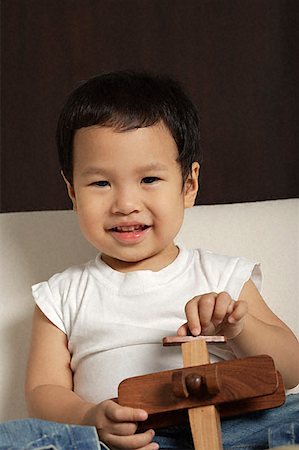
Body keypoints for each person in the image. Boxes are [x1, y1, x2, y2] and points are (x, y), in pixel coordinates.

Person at [1, 71, 298, 450]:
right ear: (72, 192)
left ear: (188, 186)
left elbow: (290, 370)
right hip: (124, 442)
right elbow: (43, 392)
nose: (125, 204)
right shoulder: (61, 296)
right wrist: (91, 417)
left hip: (233, 430)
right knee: (15, 437)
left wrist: (239, 328)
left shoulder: (223, 275)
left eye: (149, 180)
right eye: (101, 184)